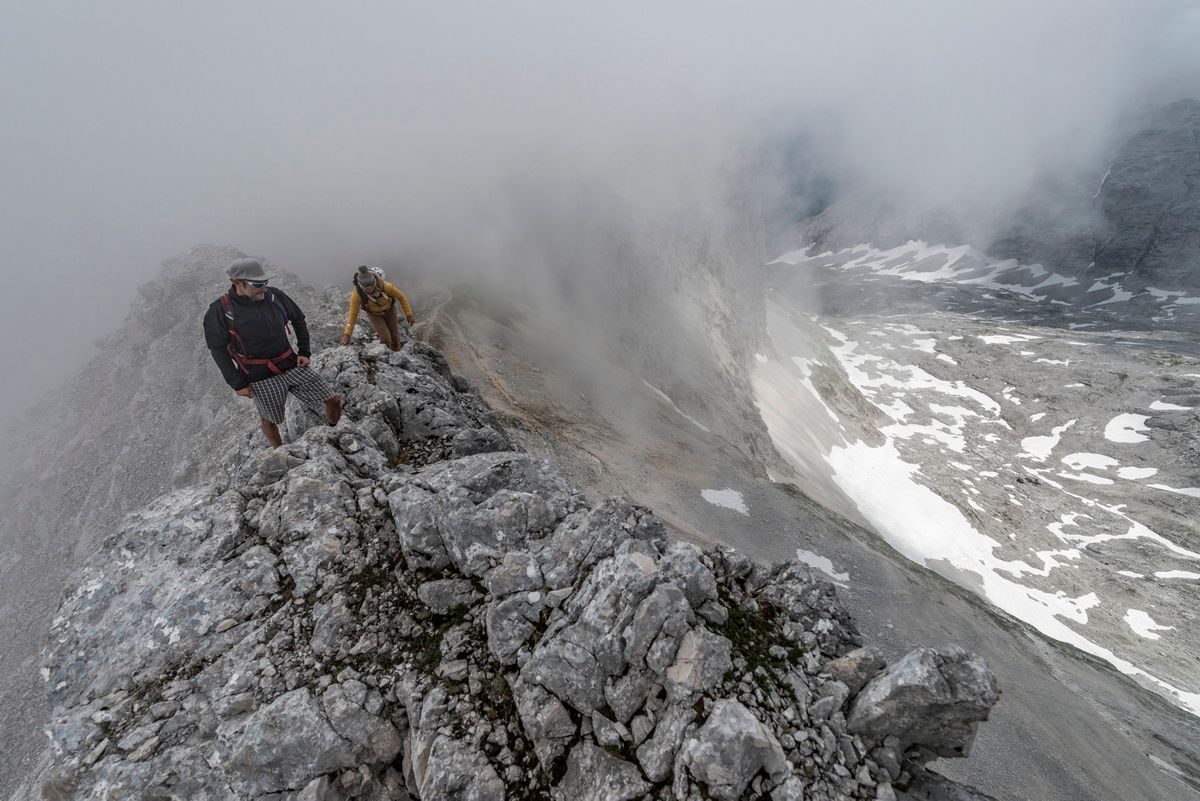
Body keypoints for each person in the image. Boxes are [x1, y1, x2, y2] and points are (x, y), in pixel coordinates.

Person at [203, 258, 342, 448]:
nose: (264, 287)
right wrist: (237, 383)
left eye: (265, 282)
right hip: (259, 376)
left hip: (291, 363)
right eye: (258, 283)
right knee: (270, 419)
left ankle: (335, 431)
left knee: (332, 399)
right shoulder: (220, 310)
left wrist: (304, 352)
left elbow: (298, 319)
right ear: (238, 283)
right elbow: (217, 349)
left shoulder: (274, 296)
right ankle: (280, 454)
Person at [338, 265, 415, 351]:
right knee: (385, 338)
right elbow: (353, 314)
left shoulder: (386, 286)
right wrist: (347, 334)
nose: (370, 289)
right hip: (374, 315)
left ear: (375, 281)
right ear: (361, 286)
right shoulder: (357, 295)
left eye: (372, 285)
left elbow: (401, 298)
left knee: (395, 337)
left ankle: (396, 355)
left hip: (390, 310)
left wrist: (409, 314)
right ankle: (385, 355)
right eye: (366, 288)